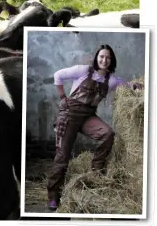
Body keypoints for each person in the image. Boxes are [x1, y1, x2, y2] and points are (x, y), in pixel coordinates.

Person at [46, 44, 143, 211]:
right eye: (101, 56)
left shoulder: (111, 80)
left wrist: (136, 85)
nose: (104, 60)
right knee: (62, 157)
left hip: (88, 116)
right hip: (69, 114)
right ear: (97, 57)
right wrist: (62, 97)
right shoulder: (83, 70)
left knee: (107, 134)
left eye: (108, 57)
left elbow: (125, 85)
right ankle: (53, 196)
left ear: (111, 60)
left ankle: (95, 175)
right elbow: (58, 75)